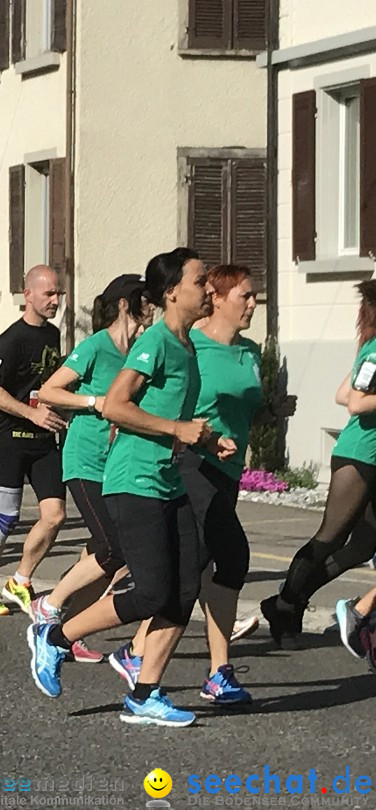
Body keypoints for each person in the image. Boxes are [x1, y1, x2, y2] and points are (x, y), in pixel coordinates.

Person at [27, 248, 234, 728]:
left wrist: (205, 440)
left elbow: (174, 421)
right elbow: (116, 405)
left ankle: (145, 695)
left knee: (182, 595)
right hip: (133, 481)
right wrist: (178, 431)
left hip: (167, 481)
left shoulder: (187, 345)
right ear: (171, 292)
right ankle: (53, 638)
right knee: (150, 594)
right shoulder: (156, 342)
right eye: (201, 281)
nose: (209, 289)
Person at [120, 264, 295, 706]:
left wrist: (272, 410)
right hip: (191, 465)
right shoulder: (188, 345)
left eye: (255, 296)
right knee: (223, 558)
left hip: (227, 469)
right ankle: (157, 657)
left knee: (208, 566)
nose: (253, 304)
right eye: (245, 296)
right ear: (216, 298)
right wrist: (180, 435)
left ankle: (192, 665)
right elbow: (150, 402)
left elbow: (243, 407)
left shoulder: (250, 352)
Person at [27, 275, 151, 667]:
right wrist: (95, 401)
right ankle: (49, 604)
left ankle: (67, 629)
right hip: (86, 458)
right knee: (112, 546)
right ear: (125, 305)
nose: (153, 308)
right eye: (145, 301)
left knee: (107, 551)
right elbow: (48, 391)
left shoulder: (141, 351)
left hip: (119, 461)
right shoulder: (96, 346)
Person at [262, 279, 376, 649]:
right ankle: (287, 608)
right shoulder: (374, 351)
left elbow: (344, 392)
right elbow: (356, 402)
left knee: (363, 547)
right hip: (359, 455)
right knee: (329, 537)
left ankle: (285, 602)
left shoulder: (369, 350)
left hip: (370, 457)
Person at [0, 265, 67, 616]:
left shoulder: (54, 336)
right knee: (6, 517)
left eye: (59, 293)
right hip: (9, 438)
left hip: (44, 440)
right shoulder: (12, 338)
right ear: (28, 295)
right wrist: (31, 413)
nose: (56, 300)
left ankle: (21, 580)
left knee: (55, 515)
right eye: (49, 294)